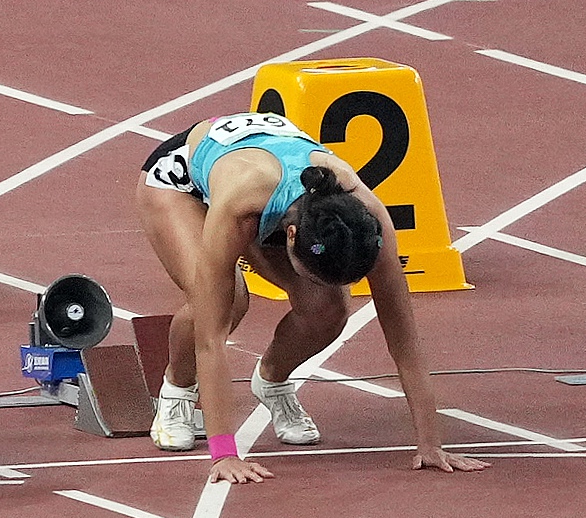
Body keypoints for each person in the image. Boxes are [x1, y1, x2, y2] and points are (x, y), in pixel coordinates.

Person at [130, 113, 487, 483]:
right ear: (290, 237)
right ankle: (177, 388)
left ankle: (272, 380)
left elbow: (404, 341)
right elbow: (211, 339)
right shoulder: (241, 208)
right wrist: (224, 454)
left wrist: (430, 444)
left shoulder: (370, 224)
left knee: (328, 307)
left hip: (273, 191)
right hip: (178, 185)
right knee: (228, 301)